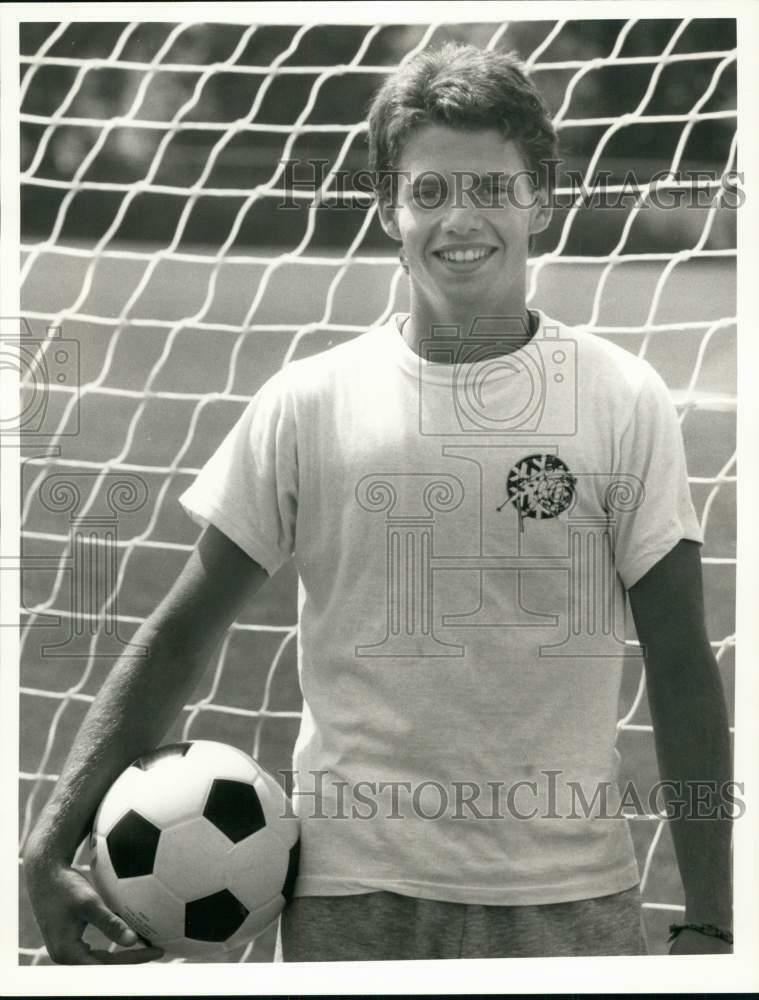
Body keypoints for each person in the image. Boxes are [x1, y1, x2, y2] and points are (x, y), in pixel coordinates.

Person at [23, 43, 733, 963]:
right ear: (387, 211)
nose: (460, 218)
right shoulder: (307, 401)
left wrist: (712, 917)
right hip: (348, 901)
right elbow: (181, 633)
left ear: (542, 199)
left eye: (490, 187)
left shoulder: (621, 397)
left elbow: (680, 665)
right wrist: (48, 840)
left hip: (566, 899)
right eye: (428, 192)